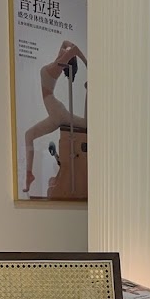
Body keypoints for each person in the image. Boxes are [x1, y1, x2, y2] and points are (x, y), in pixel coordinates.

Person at [23, 41, 88, 194]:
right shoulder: (57, 61)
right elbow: (66, 43)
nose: (65, 51)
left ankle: (89, 90)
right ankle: (29, 174)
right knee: (28, 135)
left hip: (57, 112)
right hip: (55, 114)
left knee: (86, 125)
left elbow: (74, 49)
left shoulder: (57, 65)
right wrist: (72, 52)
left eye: (66, 53)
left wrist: (87, 64)